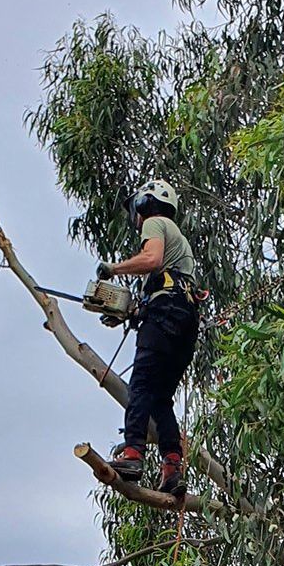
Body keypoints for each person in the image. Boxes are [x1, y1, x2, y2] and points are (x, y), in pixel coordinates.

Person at [101, 179, 200, 497]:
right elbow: (164, 281)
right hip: (184, 322)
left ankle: (133, 455)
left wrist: (113, 269)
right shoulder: (180, 244)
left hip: (166, 315)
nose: (137, 219)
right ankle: (172, 466)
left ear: (146, 203)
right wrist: (129, 312)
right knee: (160, 400)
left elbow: (152, 260)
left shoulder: (157, 223)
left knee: (141, 386)